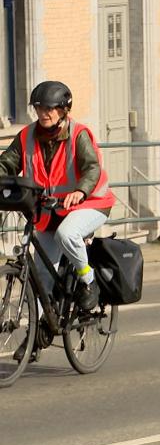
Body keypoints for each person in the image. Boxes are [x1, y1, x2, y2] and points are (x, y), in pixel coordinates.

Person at [0, 81, 115, 361]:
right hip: (50, 210)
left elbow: (92, 168)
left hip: (90, 203)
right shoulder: (27, 136)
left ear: (64, 110)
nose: (44, 113)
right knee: (40, 277)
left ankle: (89, 282)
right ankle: (37, 337)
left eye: (50, 108)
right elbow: (7, 163)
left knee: (67, 235)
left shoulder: (79, 135)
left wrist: (79, 191)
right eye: (39, 107)